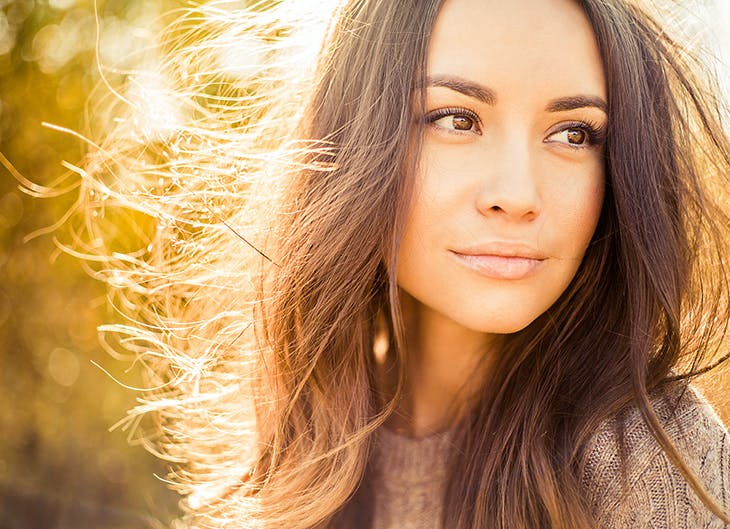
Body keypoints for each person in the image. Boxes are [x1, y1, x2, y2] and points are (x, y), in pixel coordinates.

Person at [69, 0, 730, 527]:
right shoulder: (309, 442)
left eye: (574, 133)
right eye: (455, 119)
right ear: (354, 140)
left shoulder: (651, 456)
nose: (518, 195)